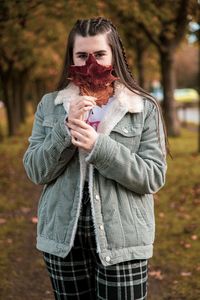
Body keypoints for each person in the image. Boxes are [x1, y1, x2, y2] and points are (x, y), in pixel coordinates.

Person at [23, 17, 168, 300]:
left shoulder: (142, 107)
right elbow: (35, 171)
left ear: (114, 55)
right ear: (71, 58)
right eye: (82, 55)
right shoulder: (50, 105)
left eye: (100, 54)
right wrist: (65, 129)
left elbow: (153, 176)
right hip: (63, 237)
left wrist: (99, 147)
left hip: (124, 239)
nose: (92, 63)